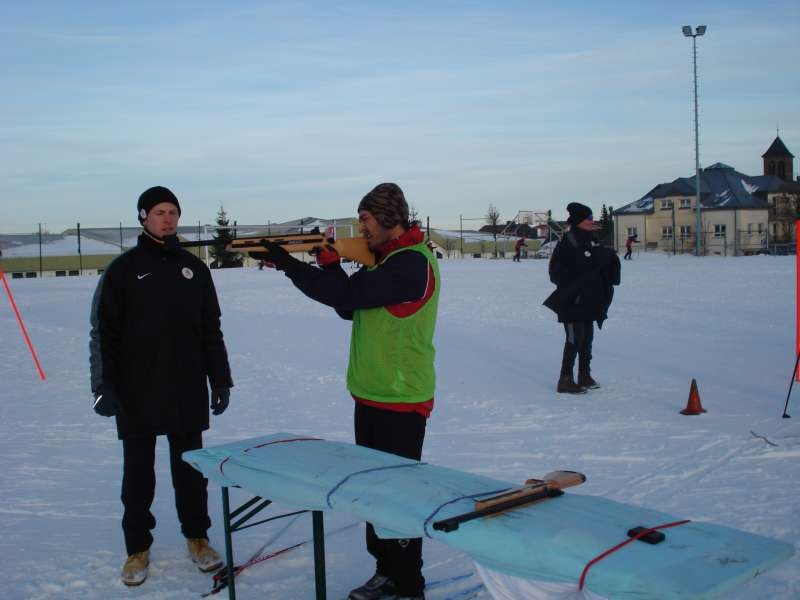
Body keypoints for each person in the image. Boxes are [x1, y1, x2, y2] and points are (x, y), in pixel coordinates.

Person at [251, 183, 438, 600]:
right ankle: (386, 571)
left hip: (401, 399)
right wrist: (329, 264)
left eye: (366, 220)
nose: (362, 229)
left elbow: (346, 295)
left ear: (389, 217)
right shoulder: (385, 261)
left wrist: (288, 264)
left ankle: (409, 584)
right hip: (371, 394)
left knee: (398, 498)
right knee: (372, 492)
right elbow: (348, 307)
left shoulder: (410, 263)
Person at [89, 186, 233, 586]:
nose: (167, 219)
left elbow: (211, 329)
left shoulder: (194, 269)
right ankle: (137, 549)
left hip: (186, 385)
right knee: (138, 474)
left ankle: (198, 540)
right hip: (137, 389)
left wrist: (220, 378)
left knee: (190, 471)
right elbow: (104, 332)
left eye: (173, 212)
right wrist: (103, 385)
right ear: (143, 217)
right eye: (159, 212)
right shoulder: (123, 269)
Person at [544, 202, 620, 394]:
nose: (592, 221)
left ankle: (584, 374)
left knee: (587, 338)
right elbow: (556, 271)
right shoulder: (568, 241)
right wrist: (575, 282)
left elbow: (599, 264)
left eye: (592, 218)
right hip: (573, 300)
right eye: (589, 218)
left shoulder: (592, 239)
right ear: (579, 221)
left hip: (589, 299)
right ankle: (565, 379)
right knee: (574, 338)